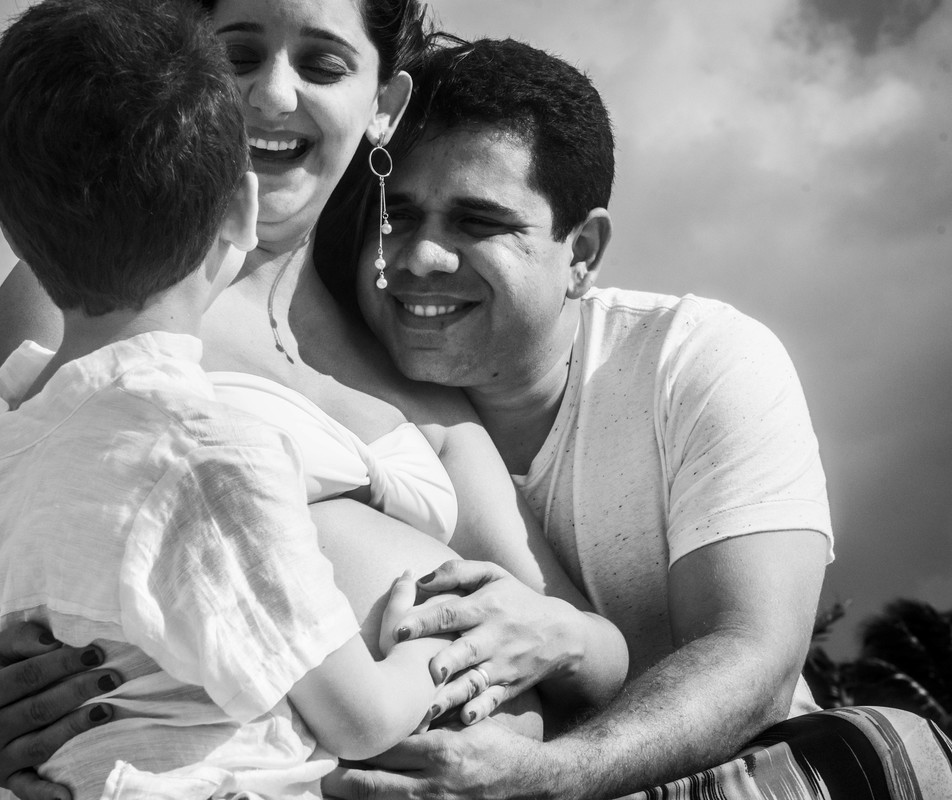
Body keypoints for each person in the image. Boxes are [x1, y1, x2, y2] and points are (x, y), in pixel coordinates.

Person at [0, 2, 628, 799]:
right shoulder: (85, 298)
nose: (274, 95)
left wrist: (547, 641)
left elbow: (598, 653)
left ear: (384, 104)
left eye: (322, 64)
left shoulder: (415, 358)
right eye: (240, 55)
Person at [326, 37, 952, 799]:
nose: (421, 256)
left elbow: (753, 657)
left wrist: (554, 777)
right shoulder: (334, 399)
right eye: (398, 217)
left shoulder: (694, 361)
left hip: (736, 778)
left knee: (895, 749)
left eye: (479, 223)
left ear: (582, 251)